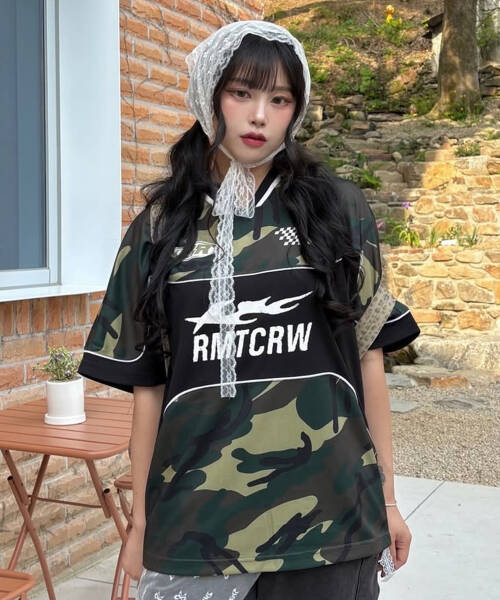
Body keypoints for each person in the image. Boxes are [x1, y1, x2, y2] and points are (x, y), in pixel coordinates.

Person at [78, 19, 420, 600]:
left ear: (295, 110)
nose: (260, 115)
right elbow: (149, 388)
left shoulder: (337, 210)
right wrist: (139, 524)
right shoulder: (160, 229)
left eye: (280, 99)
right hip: (196, 523)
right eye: (241, 93)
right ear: (209, 97)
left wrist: (387, 501)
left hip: (331, 520)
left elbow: (368, 360)